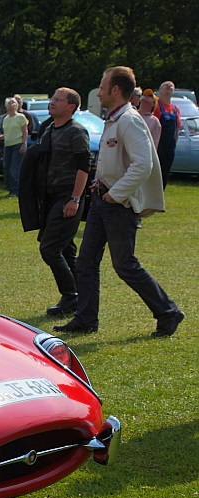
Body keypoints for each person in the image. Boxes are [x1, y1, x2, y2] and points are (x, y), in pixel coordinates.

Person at [55, 66, 184, 338]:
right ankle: (86, 319)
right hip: (104, 200)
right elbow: (119, 161)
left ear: (115, 90)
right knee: (86, 262)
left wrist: (116, 193)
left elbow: (143, 164)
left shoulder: (129, 120)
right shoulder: (115, 119)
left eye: (103, 87)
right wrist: (100, 182)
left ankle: (168, 312)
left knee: (125, 264)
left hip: (118, 204)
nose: (99, 92)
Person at [29, 88, 91, 318]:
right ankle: (80, 298)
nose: (52, 103)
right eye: (52, 98)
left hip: (68, 195)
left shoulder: (77, 132)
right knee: (65, 248)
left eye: (58, 100)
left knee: (49, 248)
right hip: (50, 196)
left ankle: (70, 296)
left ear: (71, 107)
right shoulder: (49, 129)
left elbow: (84, 167)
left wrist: (75, 199)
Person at [153, 81, 181, 188]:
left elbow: (177, 128)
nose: (169, 86)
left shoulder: (175, 108)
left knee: (165, 173)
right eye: (166, 86)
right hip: (158, 146)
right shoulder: (156, 106)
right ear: (160, 90)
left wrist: (175, 142)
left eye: (171, 86)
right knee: (155, 173)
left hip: (169, 148)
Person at [1, 97, 29, 197]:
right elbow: (6, 134)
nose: (10, 104)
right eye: (8, 103)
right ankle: (9, 188)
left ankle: (16, 191)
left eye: (13, 103)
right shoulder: (5, 118)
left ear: (16, 105)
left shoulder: (21, 117)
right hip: (7, 146)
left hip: (17, 145)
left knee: (14, 169)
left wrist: (23, 144)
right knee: (6, 168)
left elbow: (25, 131)